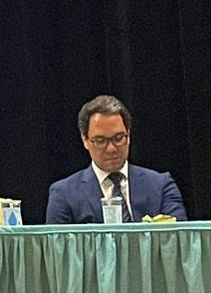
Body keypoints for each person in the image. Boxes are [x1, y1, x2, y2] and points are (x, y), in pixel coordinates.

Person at [45, 94, 188, 223]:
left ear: (129, 135)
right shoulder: (64, 194)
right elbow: (57, 249)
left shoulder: (161, 185)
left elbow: (179, 241)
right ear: (85, 140)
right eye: (100, 140)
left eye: (119, 138)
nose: (111, 148)